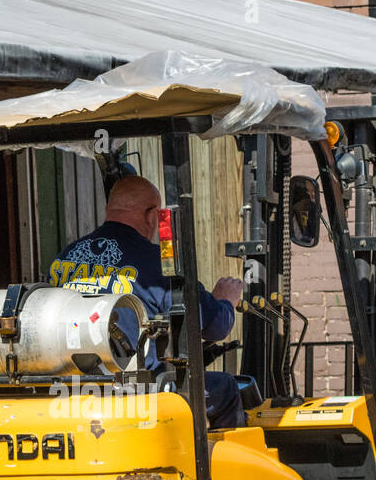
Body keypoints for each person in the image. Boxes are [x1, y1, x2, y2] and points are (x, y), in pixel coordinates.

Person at [49, 175, 247, 429]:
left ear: (109, 209)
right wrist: (225, 302)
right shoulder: (159, 263)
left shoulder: (65, 256)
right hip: (139, 395)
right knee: (227, 388)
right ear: (153, 215)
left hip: (71, 390)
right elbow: (215, 327)